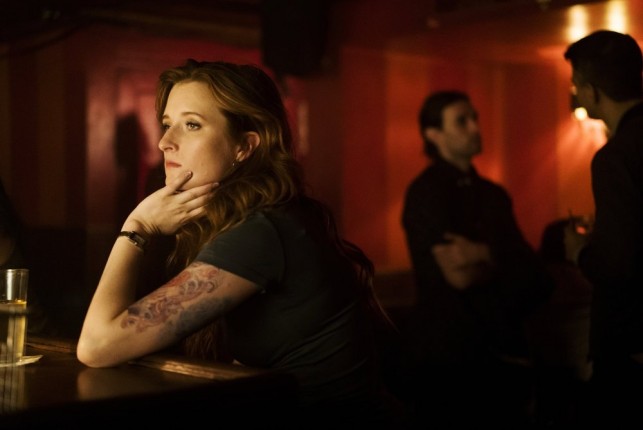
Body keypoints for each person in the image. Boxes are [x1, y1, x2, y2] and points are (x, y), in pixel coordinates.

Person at [76, 59, 406, 427]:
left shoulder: (263, 231)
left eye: (192, 124)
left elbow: (97, 346)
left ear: (244, 146)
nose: (164, 142)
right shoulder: (258, 219)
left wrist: (136, 227)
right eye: (167, 124)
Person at [399, 90, 554, 428]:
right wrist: (505, 263)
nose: (474, 127)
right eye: (461, 121)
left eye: (474, 118)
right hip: (450, 358)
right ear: (433, 134)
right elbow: (461, 276)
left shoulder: (494, 195)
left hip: (503, 352)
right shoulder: (427, 192)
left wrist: (482, 253)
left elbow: (536, 276)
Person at [563, 30, 643, 427]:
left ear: (591, 91)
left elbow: (618, 264)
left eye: (576, 84)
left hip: (631, 343)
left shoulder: (614, 157)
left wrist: (580, 252)